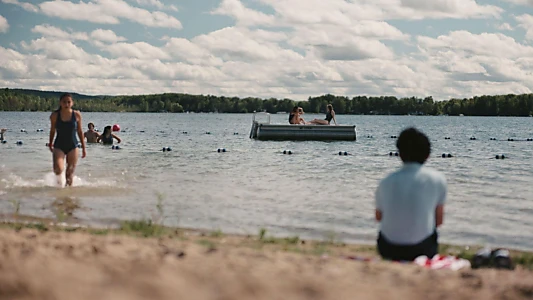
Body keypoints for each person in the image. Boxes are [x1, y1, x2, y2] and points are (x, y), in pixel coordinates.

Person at [375, 127, 447, 261]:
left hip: (388, 249)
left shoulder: (386, 181)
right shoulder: (438, 180)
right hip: (422, 249)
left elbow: (379, 217)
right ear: (428, 155)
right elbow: (439, 221)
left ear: (400, 154)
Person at [49, 93, 86, 187]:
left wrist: (84, 148)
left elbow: (80, 131)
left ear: (72, 103)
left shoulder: (76, 115)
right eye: (64, 102)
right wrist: (50, 143)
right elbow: (52, 130)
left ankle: (67, 197)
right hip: (59, 145)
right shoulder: (55, 115)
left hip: (73, 145)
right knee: (58, 169)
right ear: (60, 103)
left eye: (69, 102)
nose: (66, 104)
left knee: (69, 173)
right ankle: (58, 189)